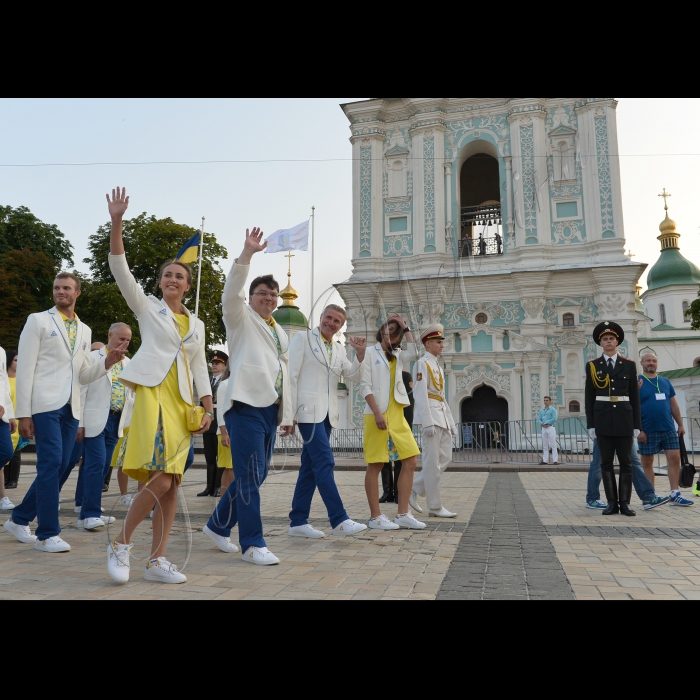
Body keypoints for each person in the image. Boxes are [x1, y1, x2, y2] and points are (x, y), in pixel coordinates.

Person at [105, 187, 214, 585]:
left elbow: (200, 366)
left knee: (172, 485)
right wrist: (117, 221)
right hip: (152, 395)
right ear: (161, 282)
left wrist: (208, 405)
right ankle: (120, 542)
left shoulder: (197, 324)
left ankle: (156, 560)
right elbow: (119, 267)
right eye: (167, 275)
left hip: (184, 404)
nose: (172, 279)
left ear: (187, 285)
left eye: (179, 276)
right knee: (161, 477)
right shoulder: (146, 306)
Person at [4, 273, 126, 553]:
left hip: (72, 406)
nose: (61, 291)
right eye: (57, 287)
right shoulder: (38, 320)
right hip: (44, 404)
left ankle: (20, 517)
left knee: (61, 465)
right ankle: (47, 533)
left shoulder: (84, 330)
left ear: (77, 293)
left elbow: (83, 375)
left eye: (67, 288)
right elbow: (25, 369)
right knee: (51, 463)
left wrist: (107, 361)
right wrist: (24, 412)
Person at [203, 227, 294, 566]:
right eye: (262, 293)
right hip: (244, 407)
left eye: (272, 294)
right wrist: (246, 255)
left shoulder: (279, 331)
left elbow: (284, 373)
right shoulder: (240, 318)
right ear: (251, 297)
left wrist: (287, 414)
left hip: (271, 409)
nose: (268, 298)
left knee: (256, 475)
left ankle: (217, 525)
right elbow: (231, 293)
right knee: (249, 476)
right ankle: (253, 543)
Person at [287, 304, 368, 539]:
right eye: (329, 318)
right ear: (321, 317)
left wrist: (360, 355)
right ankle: (339, 519)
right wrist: (288, 415)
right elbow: (291, 376)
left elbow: (351, 375)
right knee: (324, 462)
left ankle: (298, 521)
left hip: (328, 415)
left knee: (310, 469)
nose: (331, 323)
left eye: (337, 322)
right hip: (307, 412)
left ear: (341, 326)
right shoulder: (303, 339)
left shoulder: (339, 349)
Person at [361, 314, 425, 531]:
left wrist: (406, 327)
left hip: (397, 412)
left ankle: (403, 513)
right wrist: (377, 413)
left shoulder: (398, 355)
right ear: (382, 331)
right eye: (388, 329)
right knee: (376, 463)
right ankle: (375, 516)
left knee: (411, 460)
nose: (390, 334)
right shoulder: (370, 352)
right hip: (376, 413)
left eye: (395, 332)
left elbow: (415, 352)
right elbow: (365, 386)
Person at [72, 324, 135, 530]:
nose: (124, 343)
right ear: (109, 335)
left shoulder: (128, 362)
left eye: (128, 340)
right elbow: (81, 389)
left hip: (117, 421)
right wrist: (79, 422)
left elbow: (131, 393)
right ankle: (88, 513)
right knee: (95, 464)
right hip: (95, 418)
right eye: (120, 338)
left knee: (104, 466)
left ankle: (92, 510)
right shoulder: (92, 357)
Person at [585, 322, 641, 517]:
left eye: (611, 338)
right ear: (600, 343)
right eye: (605, 339)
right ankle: (611, 503)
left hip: (624, 419)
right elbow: (589, 397)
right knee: (606, 463)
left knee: (627, 463)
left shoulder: (629, 365)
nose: (608, 341)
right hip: (603, 419)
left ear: (617, 341)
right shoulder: (593, 365)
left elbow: (634, 397)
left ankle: (624, 503)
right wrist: (591, 424)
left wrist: (637, 425)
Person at [410, 325, 458, 518]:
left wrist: (451, 422)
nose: (442, 345)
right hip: (431, 416)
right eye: (438, 342)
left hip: (441, 416)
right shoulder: (422, 364)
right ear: (428, 344)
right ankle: (435, 507)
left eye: (442, 342)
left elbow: (441, 396)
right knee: (431, 463)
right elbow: (420, 394)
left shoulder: (437, 365)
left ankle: (412, 488)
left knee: (445, 458)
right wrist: (427, 421)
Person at [638, 353, 694, 507]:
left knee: (675, 458)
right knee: (647, 462)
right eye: (648, 360)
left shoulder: (665, 381)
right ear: (641, 362)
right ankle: (650, 496)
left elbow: (673, 404)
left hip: (668, 428)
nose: (651, 363)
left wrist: (680, 424)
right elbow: (632, 408)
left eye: (654, 361)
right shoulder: (637, 382)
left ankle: (675, 494)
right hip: (646, 430)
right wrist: (638, 430)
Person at [586, 439, 670, 511]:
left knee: (634, 462)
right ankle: (592, 498)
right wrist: (593, 427)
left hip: (625, 429)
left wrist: (636, 428)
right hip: (603, 429)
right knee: (598, 463)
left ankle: (648, 497)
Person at [379, 371, 414, 505]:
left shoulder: (404, 376)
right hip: (384, 422)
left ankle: (399, 493)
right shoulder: (381, 374)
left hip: (399, 424)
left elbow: (409, 404)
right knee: (384, 459)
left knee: (400, 460)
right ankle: (387, 493)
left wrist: (407, 427)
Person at [198, 351, 228, 498]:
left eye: (218, 363)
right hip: (207, 420)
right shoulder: (207, 381)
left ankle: (217, 486)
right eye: (213, 363)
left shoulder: (226, 380)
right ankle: (209, 487)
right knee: (209, 457)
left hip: (220, 421)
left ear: (224, 365)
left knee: (220, 458)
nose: (214, 365)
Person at [0, 347, 17, 512]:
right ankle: (2, 496)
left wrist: (11, 414)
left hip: (3, 414)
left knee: (6, 452)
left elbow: (3, 383)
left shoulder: (1, 351)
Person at [3, 350, 22, 491]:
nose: (18, 363)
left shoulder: (22, 380)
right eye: (16, 360)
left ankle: (13, 479)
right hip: (5, 417)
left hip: (16, 418)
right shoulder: (4, 379)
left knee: (13, 451)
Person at [215, 368, 234, 496]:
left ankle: (225, 500)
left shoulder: (236, 383)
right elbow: (220, 409)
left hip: (234, 430)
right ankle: (228, 500)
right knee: (231, 468)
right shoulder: (225, 384)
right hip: (225, 431)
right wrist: (224, 432)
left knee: (230, 468)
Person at [538, 396, 559, 466]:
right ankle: (545, 460)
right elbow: (539, 419)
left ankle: (555, 460)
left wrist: (546, 423)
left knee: (553, 444)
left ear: (550, 401)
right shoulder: (541, 410)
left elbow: (554, 418)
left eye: (547, 400)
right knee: (545, 445)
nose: (545, 402)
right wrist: (542, 424)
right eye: (544, 400)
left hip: (550, 427)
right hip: (544, 428)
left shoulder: (553, 410)